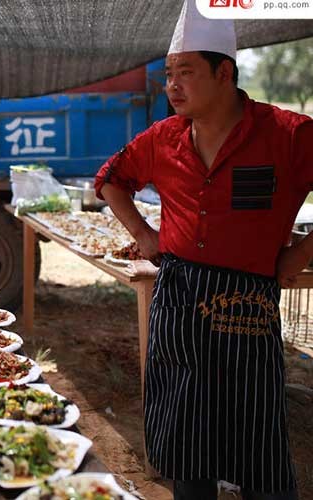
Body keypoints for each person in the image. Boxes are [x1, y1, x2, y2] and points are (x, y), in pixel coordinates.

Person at [95, 2, 310, 499]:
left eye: (185, 73)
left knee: (257, 436)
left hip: (247, 307)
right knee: (185, 439)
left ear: (225, 72)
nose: (172, 85)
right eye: (169, 74)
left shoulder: (287, 135)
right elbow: (110, 180)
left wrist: (300, 254)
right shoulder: (163, 138)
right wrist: (147, 236)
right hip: (177, 300)